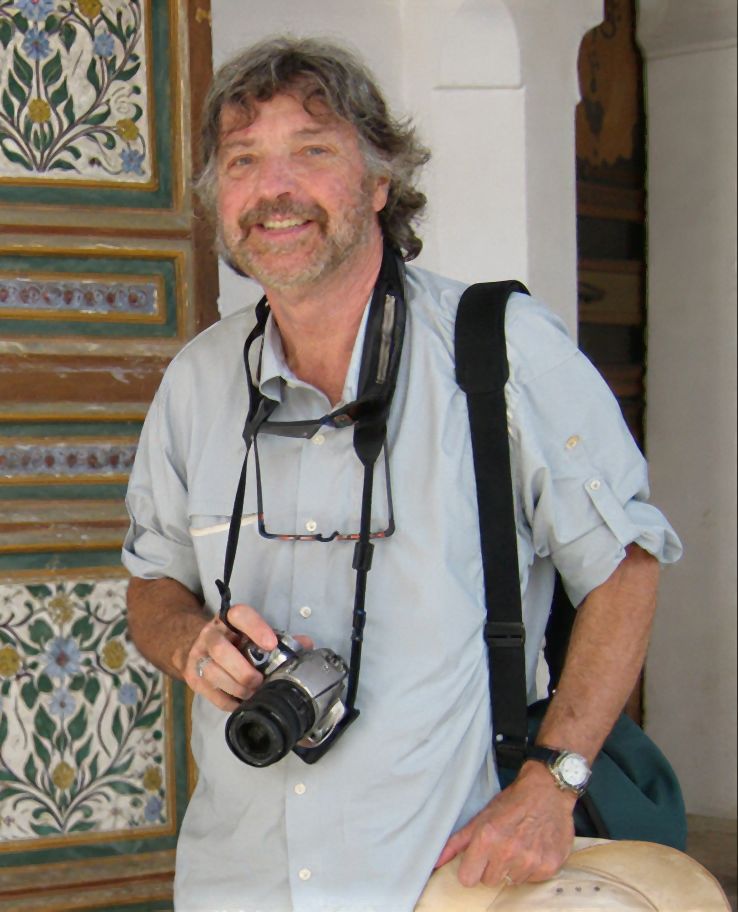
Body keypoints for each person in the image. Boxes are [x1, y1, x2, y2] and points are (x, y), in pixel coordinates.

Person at [122, 37, 682, 912]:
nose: (274, 189)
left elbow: (626, 568)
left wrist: (554, 782)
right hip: (237, 884)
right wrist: (191, 641)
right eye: (242, 161)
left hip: (453, 883)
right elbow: (153, 584)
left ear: (381, 181)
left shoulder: (498, 352)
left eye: (313, 150)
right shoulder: (197, 381)